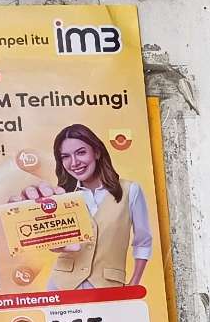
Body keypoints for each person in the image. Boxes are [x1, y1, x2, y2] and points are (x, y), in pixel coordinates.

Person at [22, 124, 153, 289]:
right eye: (65, 156)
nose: (74, 163)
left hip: (108, 286)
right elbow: (54, 244)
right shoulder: (62, 196)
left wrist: (134, 283)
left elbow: (143, 241)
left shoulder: (130, 190)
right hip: (62, 285)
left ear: (97, 152)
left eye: (81, 152)